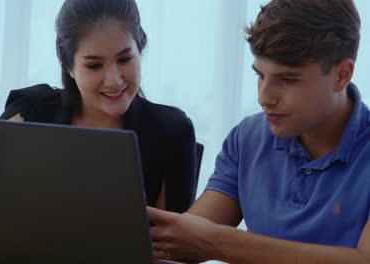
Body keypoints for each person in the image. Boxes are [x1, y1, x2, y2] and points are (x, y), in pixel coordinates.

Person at [0, 0, 198, 250]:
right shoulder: (31, 113)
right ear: (69, 66)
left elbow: (174, 248)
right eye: (94, 66)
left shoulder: (171, 132)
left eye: (125, 59)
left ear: (141, 50)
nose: (114, 80)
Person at [147, 0, 370, 263]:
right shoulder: (247, 138)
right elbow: (188, 239)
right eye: (260, 75)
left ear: (342, 75)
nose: (264, 98)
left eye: (287, 79)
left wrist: (218, 242)